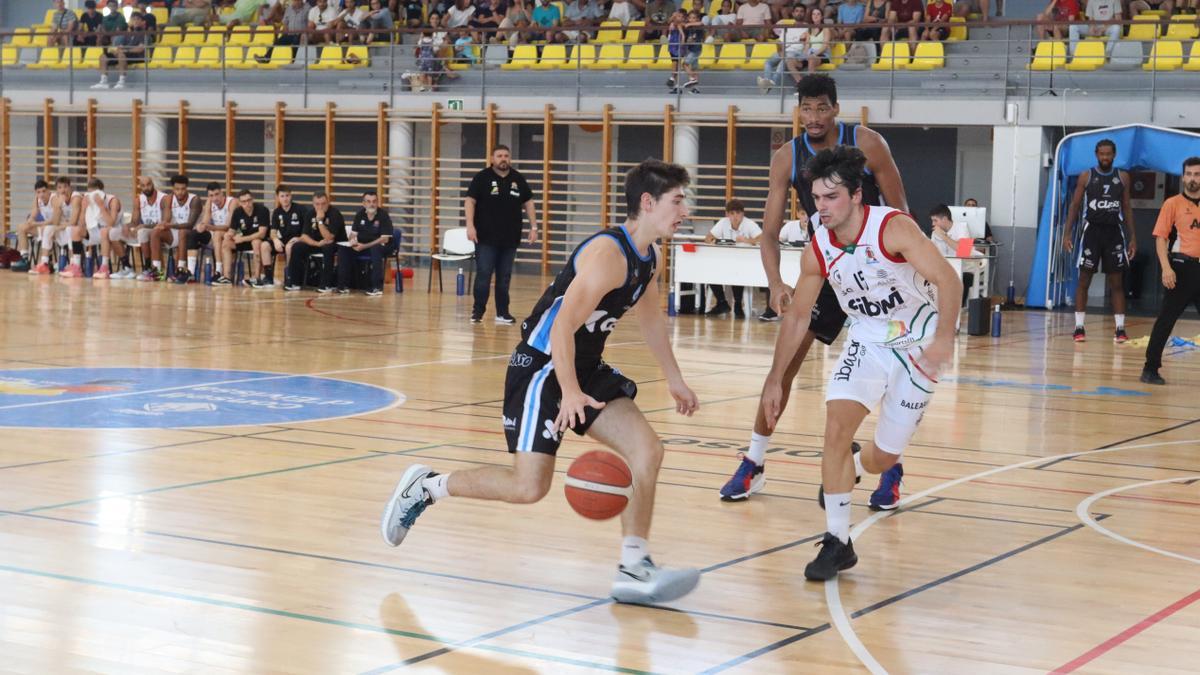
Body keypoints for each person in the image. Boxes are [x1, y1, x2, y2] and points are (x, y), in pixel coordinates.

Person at [380, 159, 702, 606]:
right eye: (677, 200)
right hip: (542, 366)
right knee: (528, 487)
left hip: (583, 364)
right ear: (648, 202)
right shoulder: (609, 254)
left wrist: (675, 380)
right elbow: (561, 326)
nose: (684, 209)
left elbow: (650, 322)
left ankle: (633, 568)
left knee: (648, 449)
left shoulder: (650, 257)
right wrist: (569, 391)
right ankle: (427, 487)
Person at [762, 146, 961, 581]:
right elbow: (798, 316)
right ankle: (838, 541)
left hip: (918, 343)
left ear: (856, 196)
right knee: (834, 427)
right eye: (816, 199)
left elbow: (949, 279)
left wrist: (944, 339)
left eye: (831, 197)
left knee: (882, 460)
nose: (822, 207)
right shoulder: (818, 248)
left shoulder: (893, 228)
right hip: (868, 340)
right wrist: (775, 379)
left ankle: (853, 466)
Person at [719, 74, 908, 502]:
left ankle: (890, 470)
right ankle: (755, 460)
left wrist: (901, 269)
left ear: (836, 109)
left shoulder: (869, 144)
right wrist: (775, 281)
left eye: (822, 107)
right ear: (798, 110)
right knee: (783, 364)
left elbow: (902, 212)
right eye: (807, 108)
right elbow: (767, 233)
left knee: (890, 375)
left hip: (879, 268)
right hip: (828, 265)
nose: (814, 116)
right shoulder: (787, 157)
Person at [1062, 139, 1136, 343]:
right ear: (1096, 154)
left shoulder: (1123, 177)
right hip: (1091, 232)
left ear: (1114, 155)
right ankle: (1079, 327)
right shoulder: (1086, 176)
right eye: (1102, 154)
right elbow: (1075, 206)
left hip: (1114, 233)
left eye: (1108, 154)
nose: (1105, 157)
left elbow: (1127, 207)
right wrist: (1067, 234)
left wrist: (1133, 238)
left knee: (1116, 282)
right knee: (1084, 279)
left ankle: (1120, 329)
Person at [1140, 157, 1200, 385]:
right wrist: (1166, 268)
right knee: (1166, 321)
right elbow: (1160, 239)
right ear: (1183, 176)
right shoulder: (1172, 204)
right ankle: (1150, 369)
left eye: (1197, 174)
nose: (1193, 179)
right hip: (1181, 270)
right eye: (1190, 174)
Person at [465, 145, 539, 324]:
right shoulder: (482, 177)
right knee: (484, 275)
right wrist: (470, 225)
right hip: (485, 237)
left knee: (504, 277)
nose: (503, 159)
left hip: (510, 237)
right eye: (499, 156)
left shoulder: (517, 178)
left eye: (506, 155)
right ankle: (478, 312)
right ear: (492, 159)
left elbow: (528, 202)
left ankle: (503, 313)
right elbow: (470, 200)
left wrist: (534, 227)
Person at [704, 199, 763, 319]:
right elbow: (708, 237)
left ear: (743, 214)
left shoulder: (749, 224)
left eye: (738, 213)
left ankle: (737, 304)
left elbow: (762, 239)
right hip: (725, 260)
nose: (735, 217)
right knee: (709, 270)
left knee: (737, 271)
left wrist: (747, 240)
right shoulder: (723, 223)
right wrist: (712, 241)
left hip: (746, 263)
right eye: (732, 213)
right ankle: (722, 302)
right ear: (727, 215)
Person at [336, 190, 394, 296]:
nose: (371, 204)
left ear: (377, 202)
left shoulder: (383, 216)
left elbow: (384, 239)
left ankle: (376, 287)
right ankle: (342, 285)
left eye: (374, 201)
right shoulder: (360, 215)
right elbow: (353, 234)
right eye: (368, 201)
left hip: (381, 247)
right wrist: (352, 242)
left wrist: (364, 246)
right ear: (363, 203)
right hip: (363, 246)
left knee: (375, 249)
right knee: (344, 250)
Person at [284, 191, 341, 292]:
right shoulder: (310, 214)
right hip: (318, 243)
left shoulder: (335, 214)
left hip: (334, 243)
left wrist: (319, 221)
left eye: (323, 204)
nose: (320, 207)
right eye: (317, 204)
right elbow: (304, 235)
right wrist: (316, 243)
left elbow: (328, 238)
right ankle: (294, 282)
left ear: (328, 202)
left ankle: (326, 284)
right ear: (313, 204)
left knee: (328, 247)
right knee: (297, 247)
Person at [66, 178, 121, 279]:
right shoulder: (89, 201)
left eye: (94, 193)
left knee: (104, 231)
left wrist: (101, 206)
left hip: (112, 232)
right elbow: (82, 223)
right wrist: (84, 209)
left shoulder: (112, 200)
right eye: (90, 193)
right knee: (75, 230)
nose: (92, 196)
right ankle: (76, 267)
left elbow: (111, 223)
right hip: (95, 232)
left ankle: (105, 268)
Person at [254, 184, 306, 289]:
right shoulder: (277, 212)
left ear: (291, 196)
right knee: (264, 245)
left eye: (287, 195)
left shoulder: (300, 209)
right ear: (278, 197)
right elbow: (273, 231)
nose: (285, 198)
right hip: (284, 240)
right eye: (282, 196)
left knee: (289, 247)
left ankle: (289, 276)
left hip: (299, 240)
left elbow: (307, 230)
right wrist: (275, 239)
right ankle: (268, 278)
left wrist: (300, 238)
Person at [218, 189, 269, 286]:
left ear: (252, 199)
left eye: (249, 200)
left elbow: (262, 233)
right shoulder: (237, 212)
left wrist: (242, 239)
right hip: (244, 241)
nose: (247, 203)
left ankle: (257, 278)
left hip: (257, 240)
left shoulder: (262, 210)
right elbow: (232, 230)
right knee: (226, 243)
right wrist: (228, 235)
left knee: (256, 242)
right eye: (244, 201)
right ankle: (227, 277)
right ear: (239, 203)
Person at [36, 177, 83, 275]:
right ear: (57, 190)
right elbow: (56, 221)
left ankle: (74, 265)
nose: (63, 190)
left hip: (81, 230)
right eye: (60, 187)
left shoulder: (76, 198)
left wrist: (58, 227)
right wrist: (58, 206)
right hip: (67, 228)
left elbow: (74, 222)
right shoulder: (59, 199)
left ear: (70, 187)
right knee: (48, 229)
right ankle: (44, 263)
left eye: (65, 187)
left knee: (70, 229)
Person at [191, 182, 234, 283]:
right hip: (216, 234)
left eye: (217, 194)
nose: (214, 198)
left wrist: (209, 227)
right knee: (192, 234)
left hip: (231, 234)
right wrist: (201, 226)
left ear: (222, 193)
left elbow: (228, 226)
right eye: (211, 195)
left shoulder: (232, 202)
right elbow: (205, 221)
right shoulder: (209, 202)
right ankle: (190, 271)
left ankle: (218, 270)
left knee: (218, 233)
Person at [129, 176, 170, 280]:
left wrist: (144, 226)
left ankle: (156, 269)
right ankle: (146, 267)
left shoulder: (164, 198)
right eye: (143, 186)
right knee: (141, 232)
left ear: (153, 184)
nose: (146, 188)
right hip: (148, 230)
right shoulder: (138, 200)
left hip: (164, 230)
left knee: (147, 232)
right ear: (140, 187)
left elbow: (165, 222)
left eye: (148, 184)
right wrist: (126, 228)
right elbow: (134, 222)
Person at [165, 174, 203, 283]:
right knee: (155, 233)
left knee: (182, 232)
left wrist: (171, 225)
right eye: (177, 189)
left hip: (194, 234)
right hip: (177, 231)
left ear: (187, 188)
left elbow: (190, 225)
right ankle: (155, 269)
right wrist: (163, 224)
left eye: (183, 189)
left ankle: (180, 269)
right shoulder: (169, 198)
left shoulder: (194, 199)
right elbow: (166, 219)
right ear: (173, 189)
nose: (180, 192)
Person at [10, 180, 54, 273]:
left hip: (57, 228)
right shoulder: (37, 199)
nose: (41, 194)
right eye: (38, 192)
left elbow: (55, 220)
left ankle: (47, 262)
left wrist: (36, 224)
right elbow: (33, 214)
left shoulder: (53, 199)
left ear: (48, 190)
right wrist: (29, 221)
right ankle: (24, 259)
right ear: (36, 193)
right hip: (45, 227)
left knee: (45, 230)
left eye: (44, 191)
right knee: (22, 227)